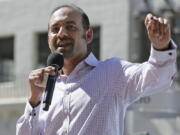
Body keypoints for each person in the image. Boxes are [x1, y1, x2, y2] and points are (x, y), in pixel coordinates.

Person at [16, 4, 177, 135]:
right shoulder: (45, 88)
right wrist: (34, 101)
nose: (61, 33)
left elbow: (156, 78)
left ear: (89, 35)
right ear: (49, 38)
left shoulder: (113, 72)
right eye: (55, 29)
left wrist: (161, 48)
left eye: (70, 27)